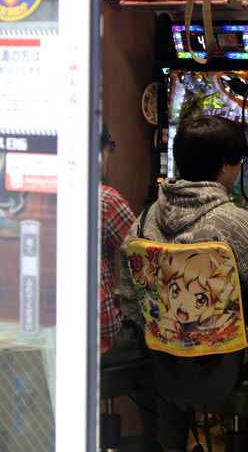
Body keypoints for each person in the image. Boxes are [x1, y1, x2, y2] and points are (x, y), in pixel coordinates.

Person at [118, 115, 248, 452]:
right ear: (228, 165)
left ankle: (172, 442)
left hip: (166, 360)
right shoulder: (235, 224)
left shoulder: (142, 223)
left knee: (178, 335)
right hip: (227, 358)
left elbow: (131, 301)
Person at [98, 121, 146, 362]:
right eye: (109, 147)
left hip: (43, 343)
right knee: (164, 346)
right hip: (100, 343)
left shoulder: (30, 197)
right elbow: (148, 259)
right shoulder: (105, 200)